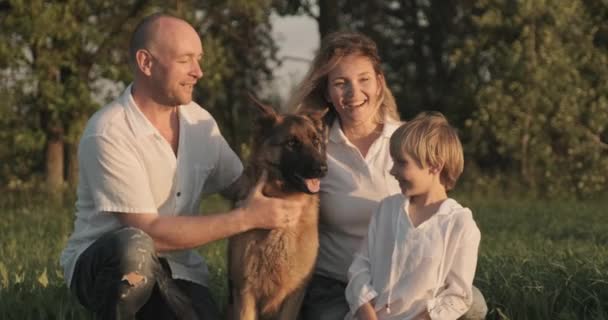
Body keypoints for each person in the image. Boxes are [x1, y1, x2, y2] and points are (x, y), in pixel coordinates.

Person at [59, 13, 305, 319]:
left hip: (180, 270)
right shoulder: (109, 132)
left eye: (198, 59)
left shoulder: (200, 121)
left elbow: (242, 185)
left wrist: (295, 160)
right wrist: (246, 218)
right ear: (146, 63)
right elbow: (150, 233)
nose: (198, 72)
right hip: (107, 264)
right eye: (185, 60)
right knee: (134, 250)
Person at [289, 31, 487, 320]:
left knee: (473, 304)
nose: (353, 93)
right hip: (337, 282)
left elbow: (435, 224)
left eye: (364, 79)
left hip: (405, 283)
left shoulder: (406, 142)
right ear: (327, 92)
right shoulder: (314, 152)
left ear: (379, 83)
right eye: (341, 83)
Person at [345, 112, 481, 320]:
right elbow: (360, 266)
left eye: (401, 163)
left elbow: (458, 296)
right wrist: (366, 312)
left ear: (435, 165)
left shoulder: (459, 224)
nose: (392, 171)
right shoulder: (387, 209)